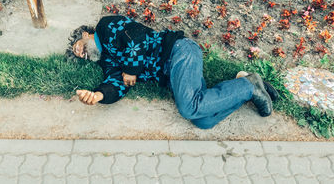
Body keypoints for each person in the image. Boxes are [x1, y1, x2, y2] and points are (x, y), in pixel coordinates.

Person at [67, 15, 279, 129]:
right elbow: (117, 84)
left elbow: (136, 37)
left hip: (177, 52)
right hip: (174, 75)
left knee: (189, 109)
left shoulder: (105, 27)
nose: (80, 53)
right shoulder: (108, 62)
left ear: (86, 34)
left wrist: (131, 70)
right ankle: (242, 83)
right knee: (202, 121)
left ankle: (249, 87)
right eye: (79, 56)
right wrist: (98, 95)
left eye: (78, 47)